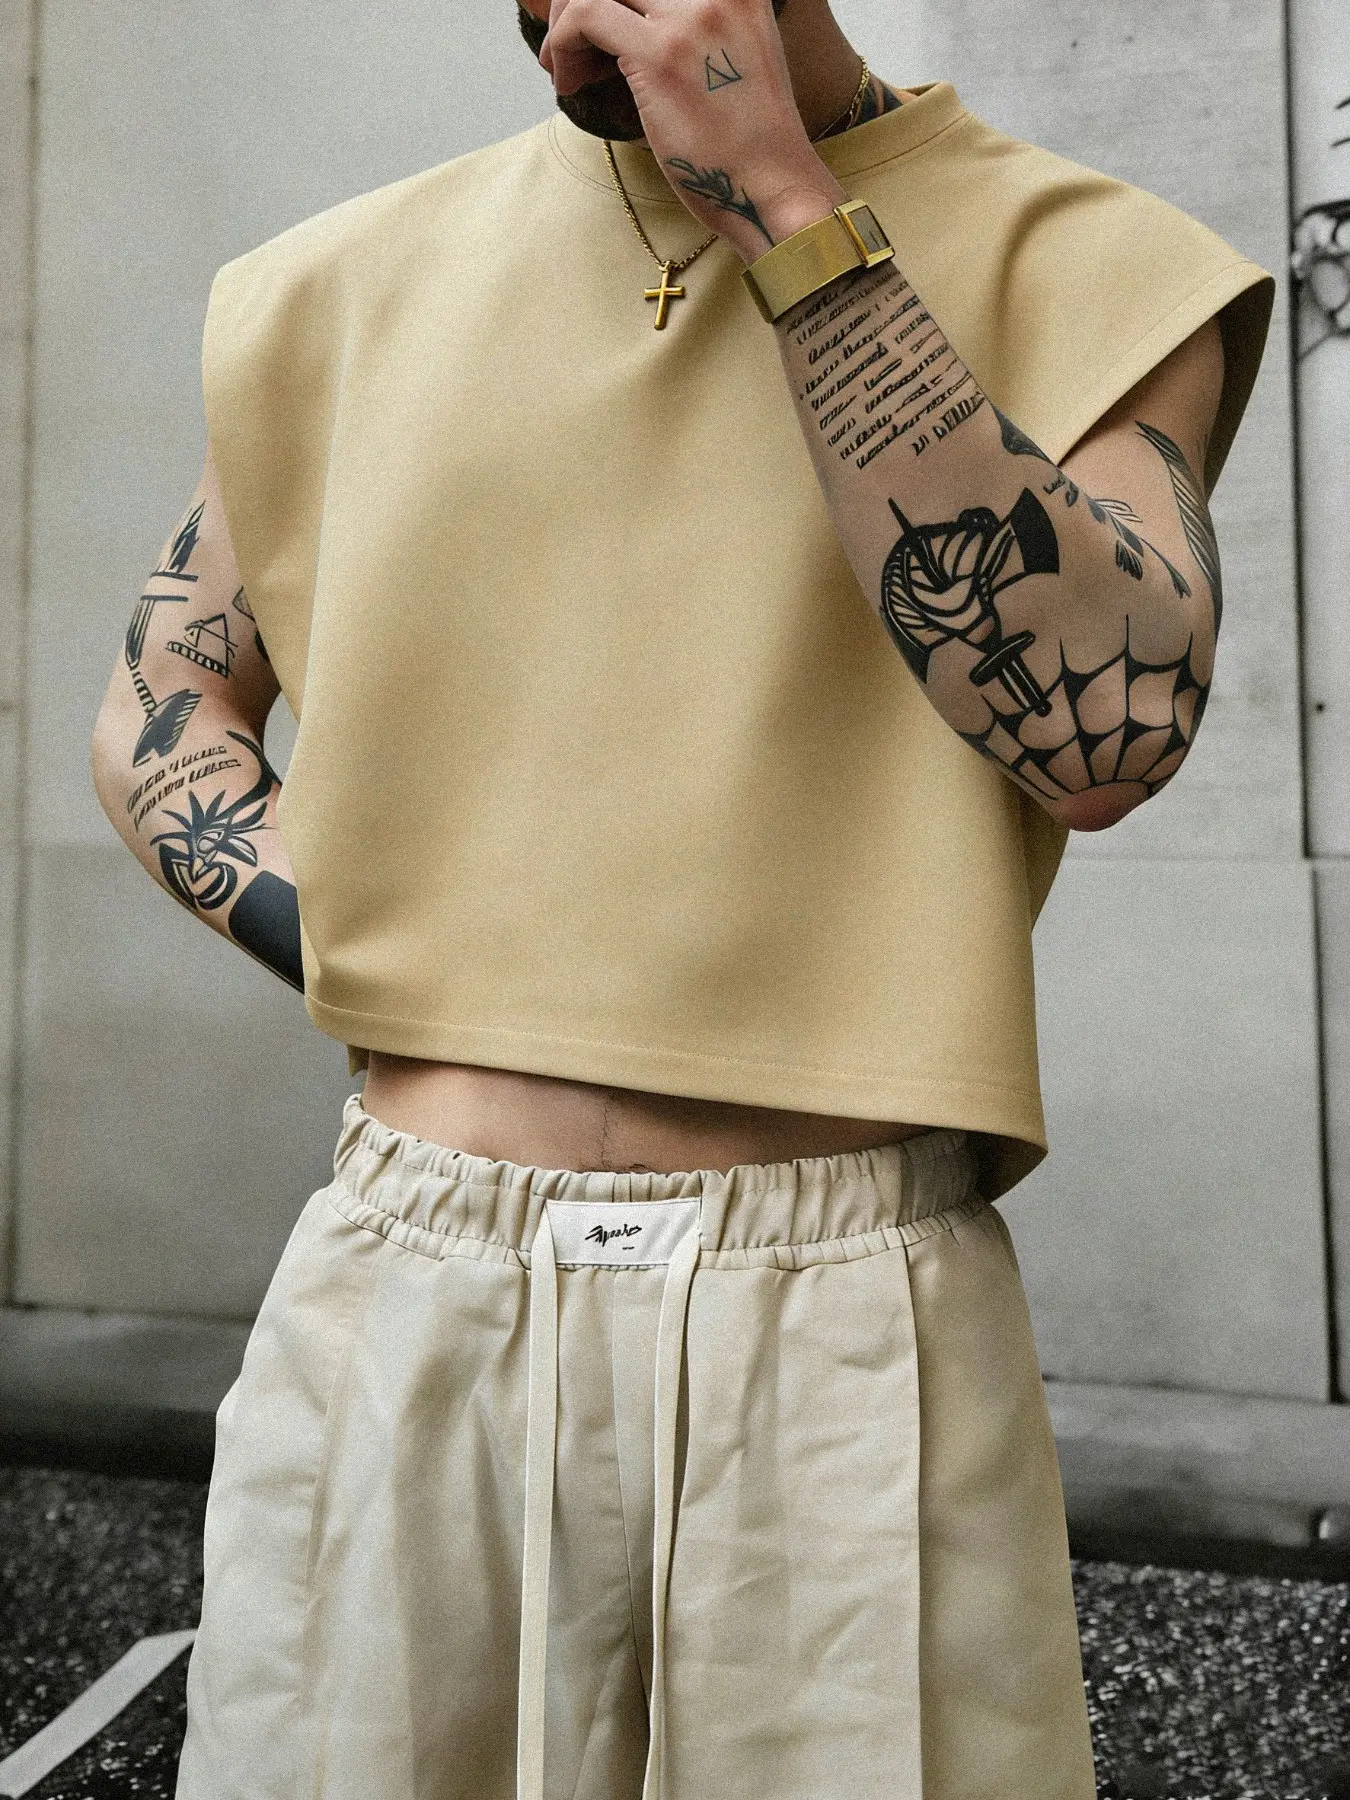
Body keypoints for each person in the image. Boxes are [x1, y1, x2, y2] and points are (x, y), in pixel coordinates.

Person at [91, 2, 1272, 1795]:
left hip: (839, 1305)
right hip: (409, 1272)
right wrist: (382, 945)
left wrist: (791, 211)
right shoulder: (334, 282)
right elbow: (163, 701)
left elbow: (1096, 736)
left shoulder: (1089, 258)